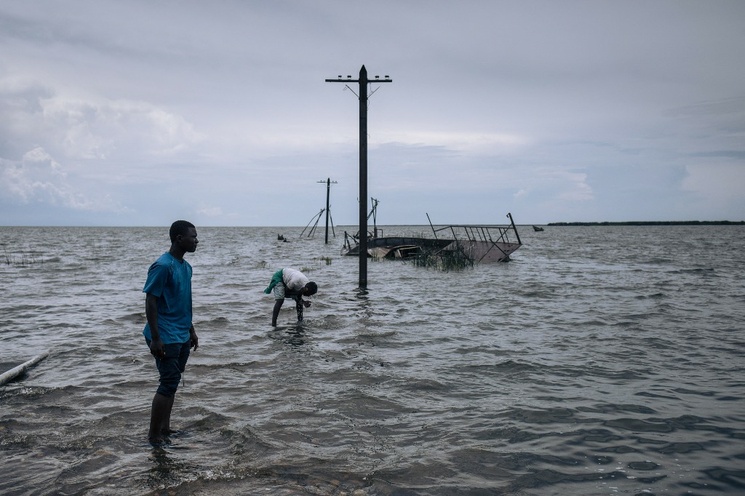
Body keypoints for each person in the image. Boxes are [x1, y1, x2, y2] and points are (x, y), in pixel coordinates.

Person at [142, 220, 199, 446]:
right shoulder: (163, 266)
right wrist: (156, 338)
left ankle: (165, 429)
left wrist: (191, 330)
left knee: (173, 382)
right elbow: (150, 300)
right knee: (168, 382)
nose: (196, 241)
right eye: (193, 237)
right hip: (164, 335)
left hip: (181, 333)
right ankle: (154, 436)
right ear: (179, 239)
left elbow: (183, 302)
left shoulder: (185, 267)